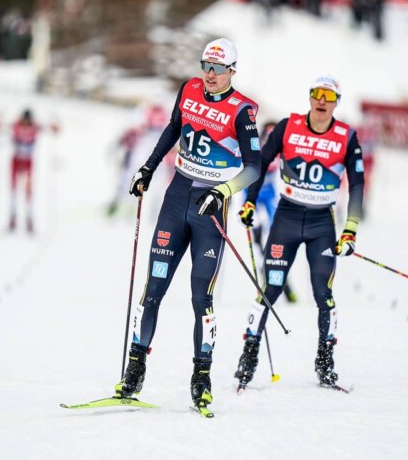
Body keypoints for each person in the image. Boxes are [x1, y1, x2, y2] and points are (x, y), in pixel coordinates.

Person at [115, 38, 262, 413]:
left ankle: (202, 376)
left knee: (202, 296)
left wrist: (224, 191)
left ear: (232, 71)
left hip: (210, 208)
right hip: (176, 195)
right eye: (206, 66)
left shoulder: (242, 111)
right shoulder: (189, 90)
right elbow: (172, 128)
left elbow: (254, 167)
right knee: (154, 287)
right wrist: (147, 168)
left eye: (218, 69)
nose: (210, 75)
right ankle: (135, 368)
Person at [235, 75, 364, 389]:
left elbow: (358, 183)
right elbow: (260, 163)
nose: (322, 100)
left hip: (322, 223)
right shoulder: (287, 127)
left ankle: (325, 361)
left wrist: (350, 230)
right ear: (309, 98)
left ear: (336, 102)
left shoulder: (346, 136)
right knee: (271, 288)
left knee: (323, 293)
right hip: (287, 218)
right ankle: (248, 355)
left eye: (328, 96)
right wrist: (249, 203)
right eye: (317, 94)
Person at [245, 120, 297, 303]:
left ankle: (282, 279)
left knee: (279, 234)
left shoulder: (281, 150)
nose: (271, 138)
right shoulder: (255, 148)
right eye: (268, 134)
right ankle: (266, 278)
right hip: (252, 196)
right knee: (259, 237)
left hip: (269, 195)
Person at [0, 108, 59, 233]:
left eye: (28, 120)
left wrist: (55, 123)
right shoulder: (15, 125)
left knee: (28, 191)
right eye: (24, 119)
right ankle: (12, 217)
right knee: (13, 189)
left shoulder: (35, 127)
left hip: (28, 163)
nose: (26, 122)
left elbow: (53, 130)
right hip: (16, 162)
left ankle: (29, 219)